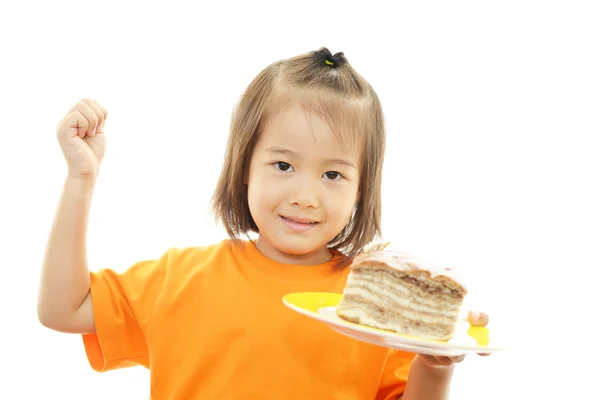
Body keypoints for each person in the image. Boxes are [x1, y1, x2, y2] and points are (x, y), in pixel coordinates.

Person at [37, 47, 490, 399]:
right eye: (283, 165)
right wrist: (82, 177)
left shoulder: (372, 309)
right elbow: (64, 309)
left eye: (333, 174)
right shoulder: (180, 279)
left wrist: (435, 366)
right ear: (244, 166)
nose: (305, 196)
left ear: (361, 188)